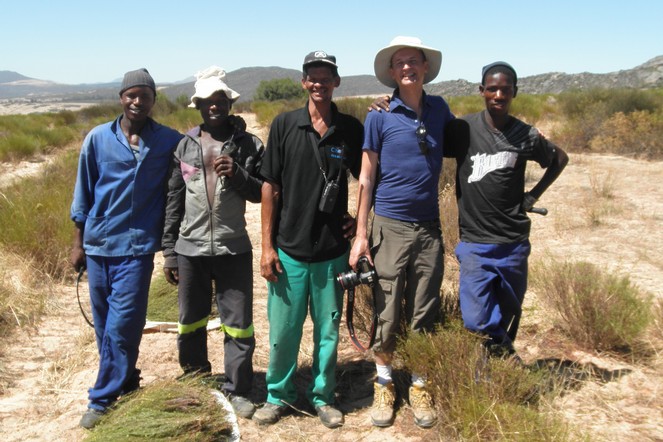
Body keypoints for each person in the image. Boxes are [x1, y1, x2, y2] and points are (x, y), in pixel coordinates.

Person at [253, 51, 363, 429]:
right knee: (283, 331)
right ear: (304, 82)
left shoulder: (350, 128)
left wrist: (358, 224)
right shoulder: (285, 125)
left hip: (333, 251)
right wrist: (267, 247)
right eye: (312, 77)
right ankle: (277, 394)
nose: (319, 83)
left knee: (328, 331)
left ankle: (323, 396)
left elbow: (367, 178)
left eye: (326, 77)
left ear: (337, 82)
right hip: (289, 251)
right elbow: (270, 187)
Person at [349, 36, 454, 429]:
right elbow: (366, 175)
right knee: (388, 310)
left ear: (426, 68)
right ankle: (385, 383)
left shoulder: (441, 110)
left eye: (414, 61)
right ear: (392, 72)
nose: (407, 67)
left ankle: (421, 384)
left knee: (425, 308)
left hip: (429, 228)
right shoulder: (378, 115)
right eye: (400, 63)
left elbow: (473, 139)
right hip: (388, 226)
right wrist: (361, 235)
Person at [70, 68, 183, 429]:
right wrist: (77, 244)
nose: (138, 101)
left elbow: (195, 149)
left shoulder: (167, 140)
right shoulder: (97, 139)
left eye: (145, 96)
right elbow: (83, 192)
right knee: (104, 327)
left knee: (123, 326)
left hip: (136, 249)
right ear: (121, 97)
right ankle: (128, 380)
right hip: (98, 245)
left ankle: (101, 400)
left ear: (154, 100)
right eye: (131, 95)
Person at [445, 62, 568, 359]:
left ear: (515, 91)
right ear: (481, 91)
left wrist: (533, 195)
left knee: (510, 313)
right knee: (476, 319)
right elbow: (426, 136)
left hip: (513, 242)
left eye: (505, 89)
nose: (498, 94)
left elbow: (560, 159)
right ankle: (503, 353)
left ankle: (495, 369)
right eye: (492, 88)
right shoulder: (463, 129)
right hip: (475, 242)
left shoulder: (525, 134)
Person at [161, 66, 264, 418]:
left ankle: (239, 388)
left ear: (229, 103)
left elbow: (260, 194)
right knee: (190, 320)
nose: (214, 106)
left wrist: (238, 174)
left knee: (238, 322)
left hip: (232, 246)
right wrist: (169, 252)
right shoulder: (184, 146)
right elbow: (174, 200)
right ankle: (196, 381)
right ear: (199, 106)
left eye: (220, 100)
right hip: (190, 249)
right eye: (207, 101)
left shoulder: (249, 145)